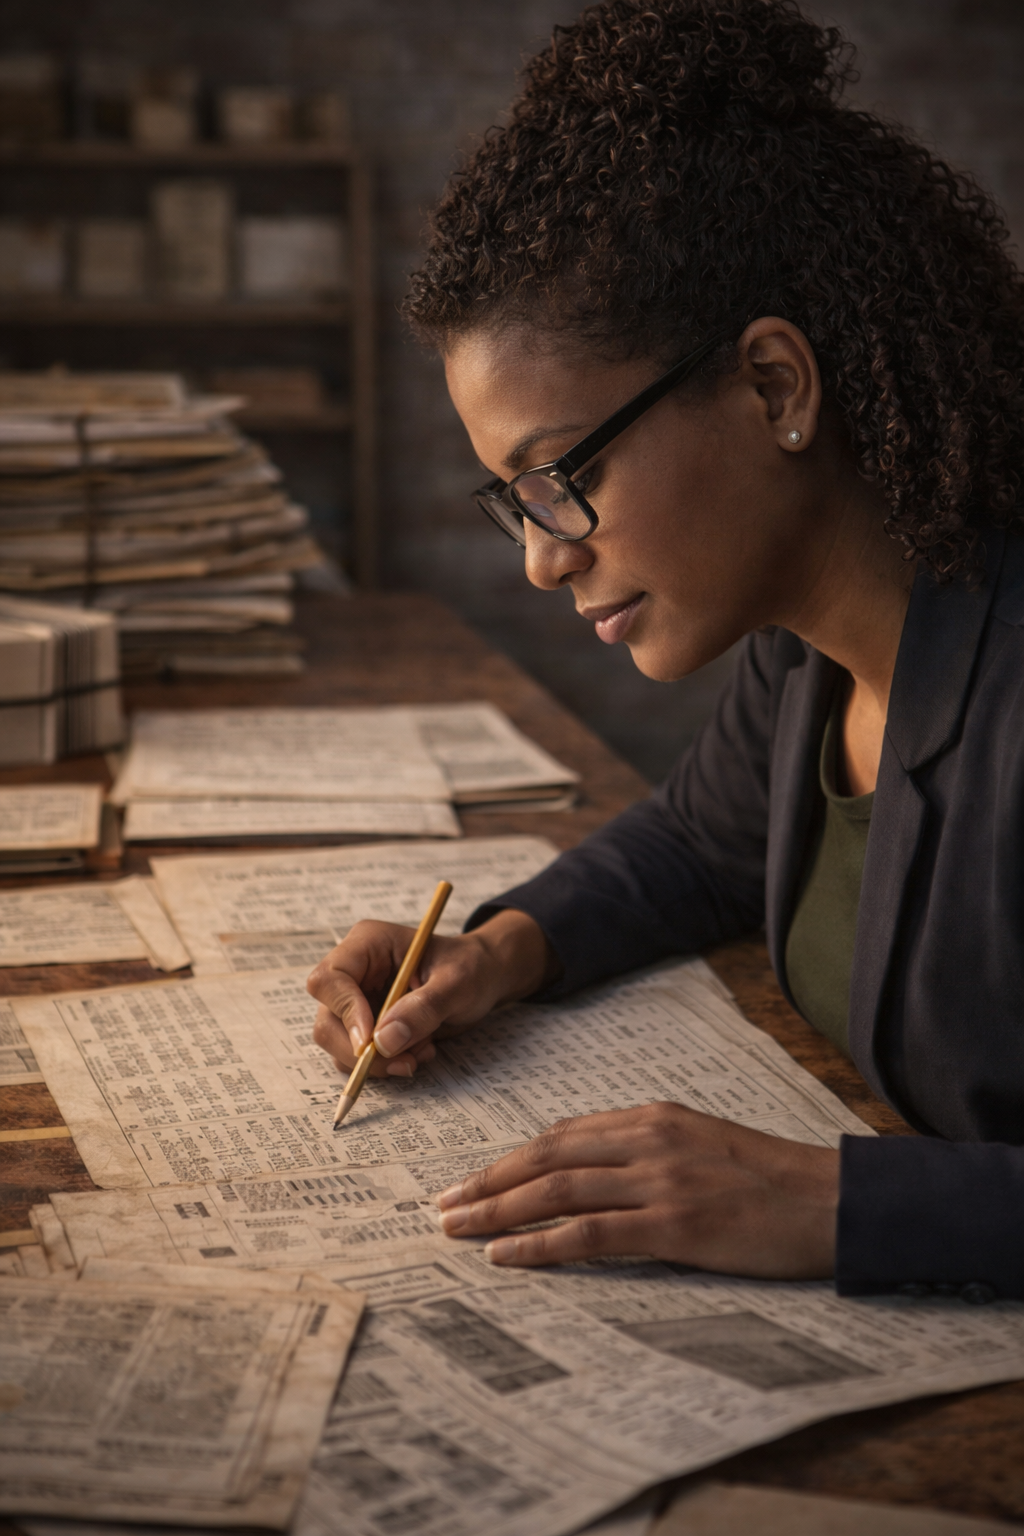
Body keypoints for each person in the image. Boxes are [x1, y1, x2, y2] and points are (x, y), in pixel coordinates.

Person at [307, 0, 1024, 1300]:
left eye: (559, 475)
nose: (541, 554)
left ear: (772, 389)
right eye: (510, 498)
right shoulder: (805, 646)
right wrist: (503, 950)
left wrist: (824, 1201)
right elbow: (700, 842)